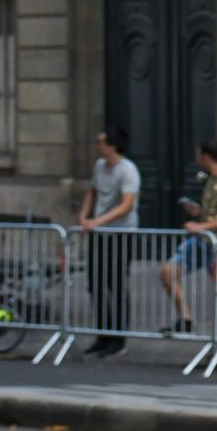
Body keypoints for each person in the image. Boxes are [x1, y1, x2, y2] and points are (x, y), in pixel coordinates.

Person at [158, 139, 217, 353]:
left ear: (207, 156)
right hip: (202, 240)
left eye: (199, 156)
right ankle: (186, 319)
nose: (197, 160)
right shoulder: (211, 180)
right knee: (168, 272)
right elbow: (216, 213)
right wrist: (198, 212)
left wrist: (202, 225)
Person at [77, 128, 140, 358]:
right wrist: (84, 216)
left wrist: (98, 221)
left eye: (101, 142)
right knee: (96, 284)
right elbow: (92, 192)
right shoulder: (99, 167)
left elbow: (127, 205)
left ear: (112, 146)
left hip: (120, 233)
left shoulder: (128, 170)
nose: (97, 145)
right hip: (99, 233)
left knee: (116, 285)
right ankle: (102, 335)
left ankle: (118, 338)